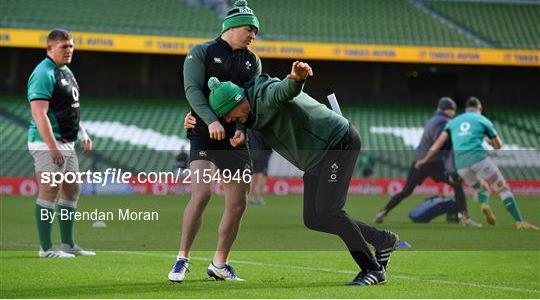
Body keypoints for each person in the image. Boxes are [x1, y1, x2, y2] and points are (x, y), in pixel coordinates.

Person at [200, 61, 400, 286]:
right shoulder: (248, 110)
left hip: (338, 143)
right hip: (317, 157)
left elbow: (284, 90)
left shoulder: (266, 94)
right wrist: (240, 130)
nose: (228, 120)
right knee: (314, 218)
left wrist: (297, 79)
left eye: (228, 115)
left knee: (329, 210)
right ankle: (382, 240)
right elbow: (248, 119)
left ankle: (372, 269)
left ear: (238, 101)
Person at [168, 0, 262, 282]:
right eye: (249, 29)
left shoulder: (252, 61)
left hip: (235, 139)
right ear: (232, 27)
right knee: (203, 194)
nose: (253, 35)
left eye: (255, 31)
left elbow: (252, 101)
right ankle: (181, 259)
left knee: (238, 203)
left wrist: (243, 129)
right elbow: (192, 90)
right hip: (202, 134)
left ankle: (220, 263)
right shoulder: (202, 52)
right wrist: (210, 121)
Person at [416, 97, 538, 230]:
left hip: (461, 166)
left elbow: (438, 144)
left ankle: (485, 204)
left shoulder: (453, 122)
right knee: (502, 189)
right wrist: (489, 141)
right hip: (479, 160)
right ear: (479, 109)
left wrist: (424, 160)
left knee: (482, 188)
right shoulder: (482, 120)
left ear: (466, 108)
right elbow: (498, 145)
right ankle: (520, 222)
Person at [27, 29, 95, 258]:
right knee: (50, 191)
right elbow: (39, 114)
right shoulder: (43, 73)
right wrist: (52, 146)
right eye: (64, 47)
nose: (69, 51)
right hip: (48, 142)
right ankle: (46, 248)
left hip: (68, 141)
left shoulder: (66, 71)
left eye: (71, 46)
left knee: (72, 190)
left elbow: (70, 108)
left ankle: (68, 244)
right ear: (49, 49)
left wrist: (83, 132)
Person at [373, 97, 481, 227]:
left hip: (418, 160)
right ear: (449, 110)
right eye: (453, 110)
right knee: (457, 185)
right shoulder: (444, 122)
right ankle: (465, 218)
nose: (454, 113)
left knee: (406, 190)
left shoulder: (432, 120)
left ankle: (382, 212)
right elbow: (438, 145)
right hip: (433, 162)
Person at [247, 129, 272, 206]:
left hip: (252, 155)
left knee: (253, 177)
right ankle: (259, 198)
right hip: (262, 155)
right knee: (260, 177)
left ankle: (249, 197)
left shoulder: (248, 129)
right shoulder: (262, 128)